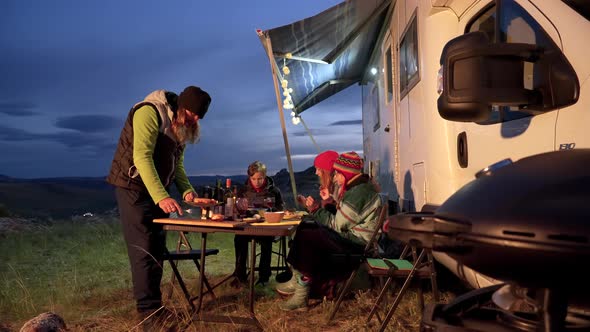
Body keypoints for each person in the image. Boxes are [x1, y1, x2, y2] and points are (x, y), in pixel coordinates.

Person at [106, 86, 211, 321]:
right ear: (182, 107)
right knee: (143, 249)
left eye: (199, 117)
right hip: (132, 188)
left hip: (156, 192)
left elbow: (178, 166)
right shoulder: (149, 112)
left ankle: (155, 308)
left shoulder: (181, 126)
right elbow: (141, 156)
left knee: (156, 247)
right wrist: (162, 197)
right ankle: (148, 315)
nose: (195, 120)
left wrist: (189, 194)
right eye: (193, 114)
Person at [277, 151, 383, 311]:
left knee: (308, 234)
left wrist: (315, 209)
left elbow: (337, 225)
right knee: (307, 228)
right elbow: (341, 219)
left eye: (338, 173)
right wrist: (322, 207)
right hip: (353, 237)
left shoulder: (359, 193)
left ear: (346, 174)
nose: (335, 177)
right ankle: (299, 283)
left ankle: (301, 290)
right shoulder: (358, 189)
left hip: (357, 242)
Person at [233, 161, 284, 285]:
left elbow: (280, 209)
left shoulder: (274, 191)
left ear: (265, 176)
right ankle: (240, 275)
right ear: (249, 177)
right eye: (254, 178)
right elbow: (237, 210)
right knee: (239, 238)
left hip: (267, 226)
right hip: (248, 226)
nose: (257, 182)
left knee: (266, 240)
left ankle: (264, 277)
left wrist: (269, 211)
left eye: (260, 178)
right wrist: (242, 211)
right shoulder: (243, 191)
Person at [297, 150, 339, 215]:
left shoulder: (339, 188)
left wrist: (327, 200)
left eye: (319, 169)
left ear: (327, 171)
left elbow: (334, 217)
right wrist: (311, 205)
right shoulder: (330, 187)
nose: (316, 172)